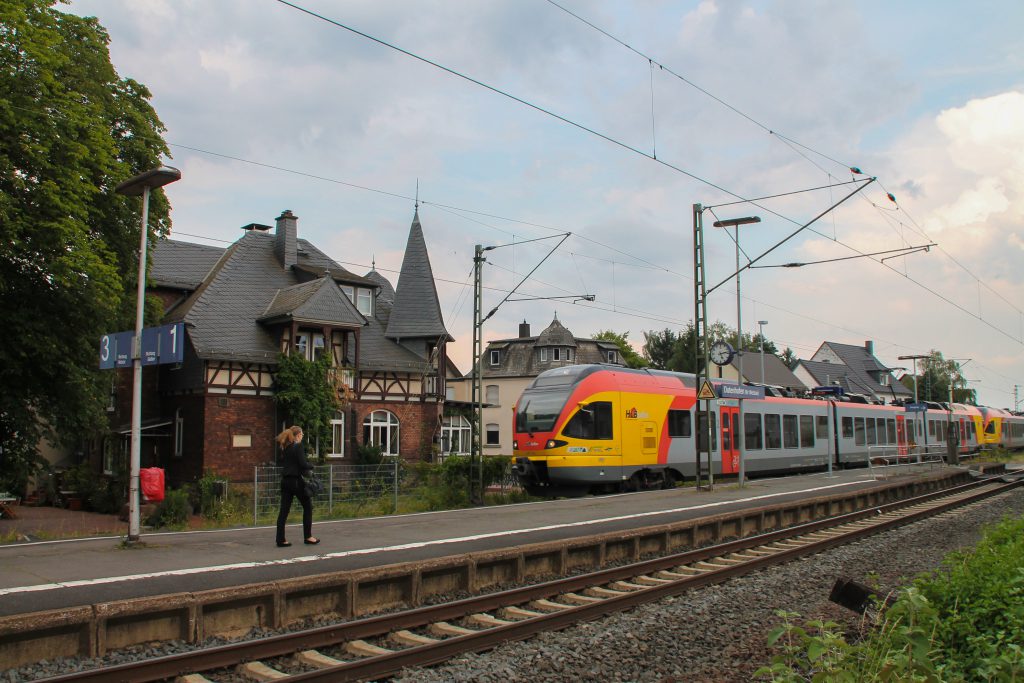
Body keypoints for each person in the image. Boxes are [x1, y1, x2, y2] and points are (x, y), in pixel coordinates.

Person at [274, 425, 320, 547]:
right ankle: (308, 537)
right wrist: (311, 466)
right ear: (298, 435)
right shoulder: (298, 446)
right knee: (308, 507)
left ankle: (280, 539)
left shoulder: (286, 447)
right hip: (295, 481)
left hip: (285, 481)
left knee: (283, 511)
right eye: (302, 434)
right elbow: (303, 463)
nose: (303, 436)